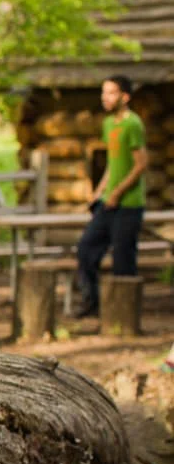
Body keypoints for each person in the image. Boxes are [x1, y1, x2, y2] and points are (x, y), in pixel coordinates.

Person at [75, 75, 148, 318]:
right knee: (86, 249)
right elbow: (112, 163)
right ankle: (92, 302)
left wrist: (117, 193)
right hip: (108, 202)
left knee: (123, 259)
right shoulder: (109, 124)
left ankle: (123, 316)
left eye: (111, 93)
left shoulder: (133, 124)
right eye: (103, 92)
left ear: (124, 97)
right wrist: (100, 192)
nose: (104, 97)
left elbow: (141, 164)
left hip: (129, 204)